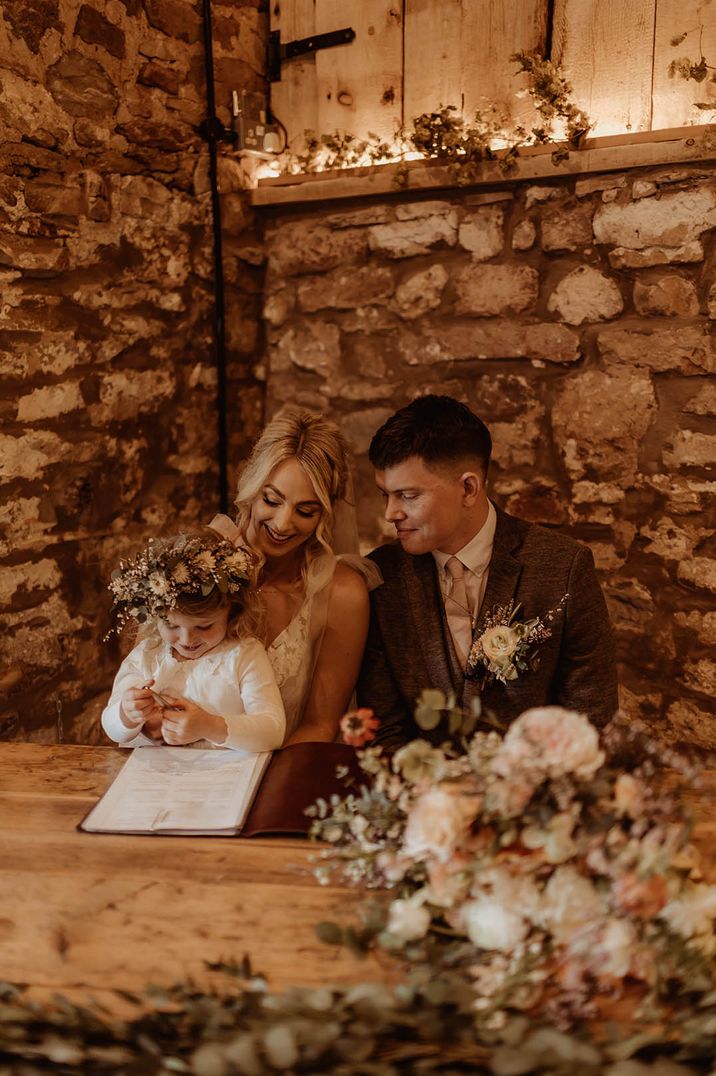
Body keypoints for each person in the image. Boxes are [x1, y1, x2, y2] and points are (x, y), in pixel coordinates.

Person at [357, 395, 618, 749]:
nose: (391, 513)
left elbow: (589, 716)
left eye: (407, 495)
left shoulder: (563, 566)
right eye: (385, 495)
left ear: (468, 488)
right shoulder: (382, 578)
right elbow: (384, 730)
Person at [210, 408, 376, 745]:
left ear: (326, 514)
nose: (284, 524)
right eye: (272, 500)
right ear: (251, 488)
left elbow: (319, 727)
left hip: (285, 770)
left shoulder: (341, 594)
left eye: (305, 511)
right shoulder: (201, 563)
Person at [101, 528, 286, 753]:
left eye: (204, 626)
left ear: (232, 613)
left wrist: (209, 726)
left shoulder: (244, 655)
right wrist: (126, 713)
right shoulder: (148, 654)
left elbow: (273, 730)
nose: (187, 639)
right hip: (152, 777)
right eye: (171, 625)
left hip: (222, 777)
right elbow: (112, 728)